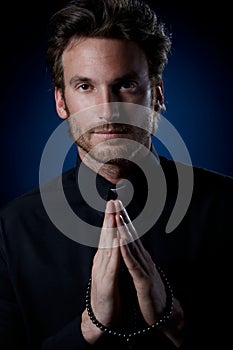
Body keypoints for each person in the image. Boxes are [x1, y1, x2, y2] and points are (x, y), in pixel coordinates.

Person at [0, 0, 232, 349]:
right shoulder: (11, 231)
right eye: (85, 87)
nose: (108, 110)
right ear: (61, 102)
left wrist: (176, 323)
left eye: (126, 84)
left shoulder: (227, 209)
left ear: (157, 95)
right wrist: (88, 328)